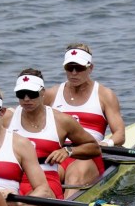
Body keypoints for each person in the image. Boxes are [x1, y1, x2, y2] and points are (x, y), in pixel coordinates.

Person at [6, 68, 101, 198]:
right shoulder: (6, 119)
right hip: (12, 180)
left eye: (31, 93)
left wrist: (68, 151)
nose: (26, 99)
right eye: (21, 94)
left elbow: (94, 148)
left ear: (42, 92)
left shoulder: (61, 120)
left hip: (45, 182)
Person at [41, 44, 124, 187]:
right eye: (69, 68)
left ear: (90, 68)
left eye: (79, 68)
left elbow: (120, 135)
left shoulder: (105, 95)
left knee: (74, 177)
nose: (74, 73)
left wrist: (106, 143)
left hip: (88, 154)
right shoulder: (51, 94)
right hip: (59, 153)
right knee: (43, 181)